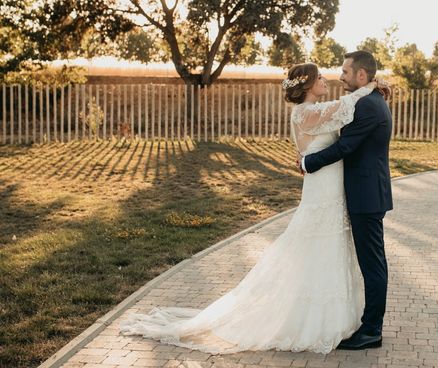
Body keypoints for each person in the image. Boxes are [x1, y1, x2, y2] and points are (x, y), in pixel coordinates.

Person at [120, 61, 382, 354]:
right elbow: (345, 107)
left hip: (330, 190)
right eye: (319, 77)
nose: (326, 79)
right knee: (315, 248)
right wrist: (370, 87)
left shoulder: (313, 112)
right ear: (307, 85)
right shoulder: (306, 113)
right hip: (321, 192)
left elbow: (340, 113)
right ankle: (309, 321)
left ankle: (335, 319)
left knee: (328, 249)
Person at [299, 50, 392, 350]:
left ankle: (372, 331)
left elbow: (346, 146)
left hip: (366, 196)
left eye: (345, 72)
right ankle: (370, 326)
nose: (340, 76)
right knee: (372, 262)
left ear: (361, 75)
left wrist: (307, 163)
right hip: (368, 193)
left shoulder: (367, 105)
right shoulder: (369, 99)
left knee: (373, 264)